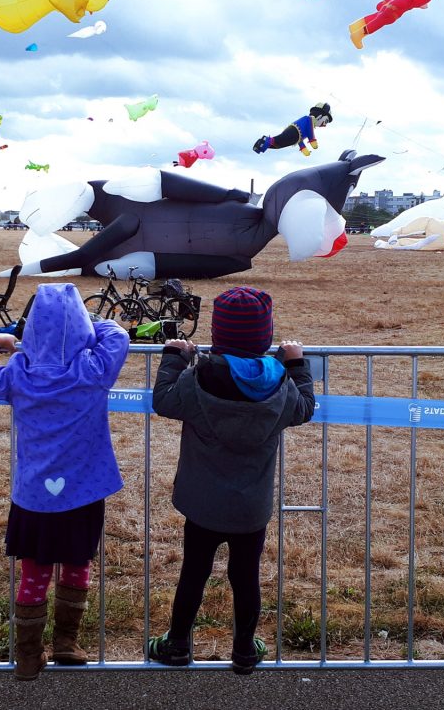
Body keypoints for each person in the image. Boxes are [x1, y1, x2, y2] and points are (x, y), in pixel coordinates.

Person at [0, 283, 130, 681]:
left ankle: (28, 656)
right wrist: (92, 322)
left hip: (35, 494)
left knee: (34, 572)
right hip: (83, 491)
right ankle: (67, 642)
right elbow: (118, 335)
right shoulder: (92, 370)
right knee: (77, 562)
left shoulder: (19, 373)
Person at [149, 286, 315, 675]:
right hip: (250, 506)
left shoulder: (199, 377)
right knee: (246, 576)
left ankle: (176, 644)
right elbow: (304, 408)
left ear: (217, 333)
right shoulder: (280, 383)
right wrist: (298, 366)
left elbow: (164, 401)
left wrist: (174, 357)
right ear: (266, 336)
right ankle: (244, 650)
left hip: (202, 501)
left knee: (194, 572)